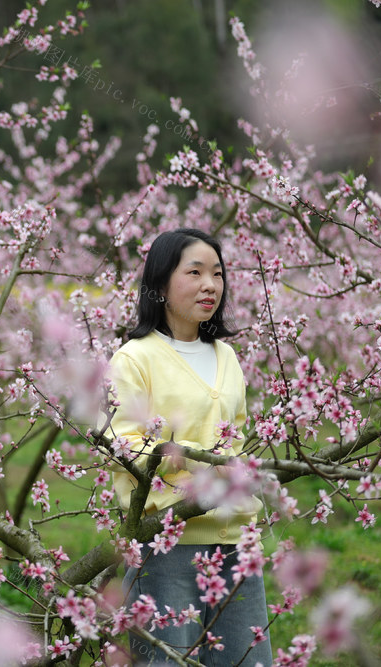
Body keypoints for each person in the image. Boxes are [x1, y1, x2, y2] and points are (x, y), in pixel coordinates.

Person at [105, 228, 271, 666]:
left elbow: (237, 435)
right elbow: (125, 441)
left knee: (245, 660)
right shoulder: (135, 357)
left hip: (235, 541)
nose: (210, 285)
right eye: (194, 272)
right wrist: (192, 464)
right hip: (167, 546)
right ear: (160, 284)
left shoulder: (227, 357)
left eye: (216, 273)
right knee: (165, 659)